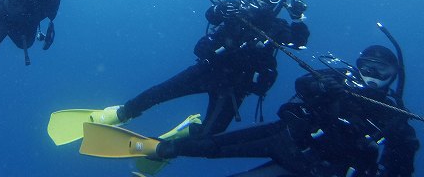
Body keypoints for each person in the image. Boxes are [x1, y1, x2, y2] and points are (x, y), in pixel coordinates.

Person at [147, 44, 420, 176]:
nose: (372, 75)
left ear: (394, 76)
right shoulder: (339, 78)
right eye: (367, 66)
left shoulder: (395, 119)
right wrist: (324, 87)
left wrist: (374, 159)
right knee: (209, 146)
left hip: (316, 168)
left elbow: (400, 169)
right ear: (357, 65)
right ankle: (157, 149)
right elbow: (304, 83)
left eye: (381, 71)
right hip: (283, 137)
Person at [91, 0, 310, 137]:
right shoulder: (236, 9)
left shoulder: (277, 27)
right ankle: (121, 114)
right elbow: (212, 15)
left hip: (235, 87)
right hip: (208, 69)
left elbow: (298, 42)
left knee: (212, 133)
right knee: (160, 92)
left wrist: (298, 19)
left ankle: (179, 138)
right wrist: (221, 9)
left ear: (278, 2)